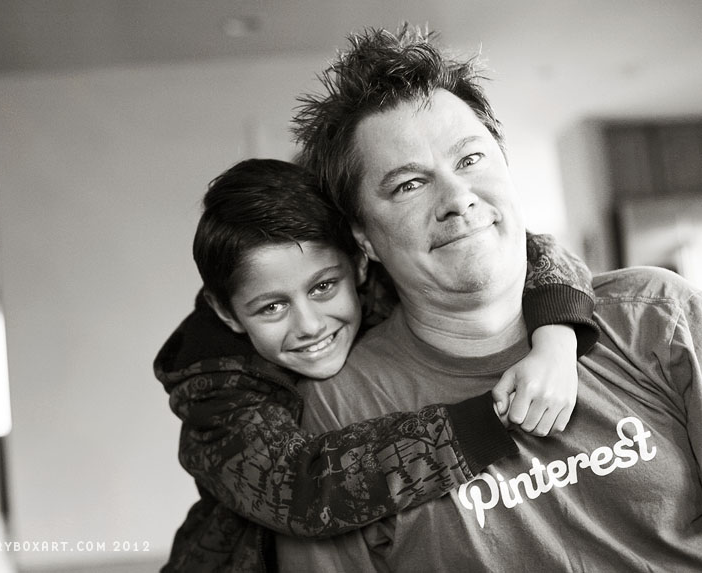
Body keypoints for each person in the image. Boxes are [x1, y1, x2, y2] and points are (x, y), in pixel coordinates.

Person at [278, 24, 702, 571]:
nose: (457, 198)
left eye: (470, 159)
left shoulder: (657, 315)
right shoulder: (339, 409)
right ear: (364, 240)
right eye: (409, 184)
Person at [155, 158, 600, 572]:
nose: (309, 324)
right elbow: (303, 491)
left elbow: (533, 251)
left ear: (360, 264)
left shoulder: (388, 279)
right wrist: (484, 420)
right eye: (271, 307)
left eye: (324, 286)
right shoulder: (213, 391)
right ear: (226, 312)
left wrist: (556, 342)